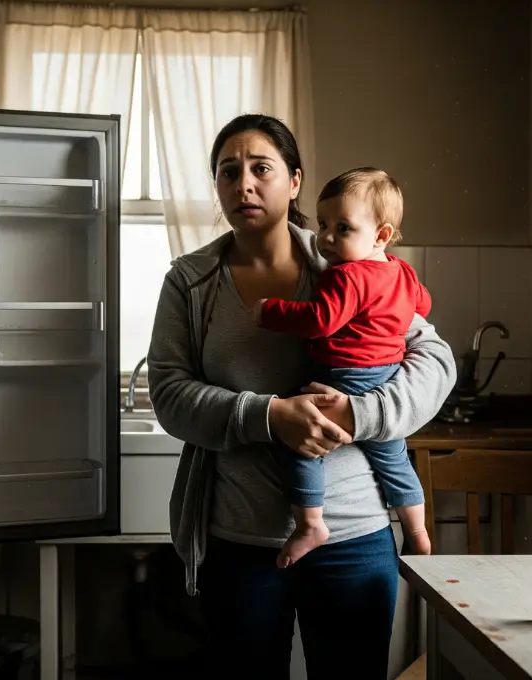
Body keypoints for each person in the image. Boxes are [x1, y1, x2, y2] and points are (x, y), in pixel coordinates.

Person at [148, 113, 455, 680]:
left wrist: (359, 412)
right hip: (239, 542)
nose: (244, 183)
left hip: (355, 536)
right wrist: (270, 416)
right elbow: (168, 393)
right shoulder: (190, 282)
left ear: (294, 182)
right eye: (228, 171)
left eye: (261, 168)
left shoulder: (352, 260)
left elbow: (436, 363)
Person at [250, 167, 434, 568]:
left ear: (381, 235)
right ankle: (417, 532)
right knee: (394, 457)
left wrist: (271, 312)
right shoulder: (401, 270)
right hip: (386, 375)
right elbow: (423, 305)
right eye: (323, 224)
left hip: (344, 375)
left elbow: (320, 320)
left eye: (343, 228)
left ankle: (311, 524)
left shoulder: (346, 275)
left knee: (301, 444)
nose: (327, 237)